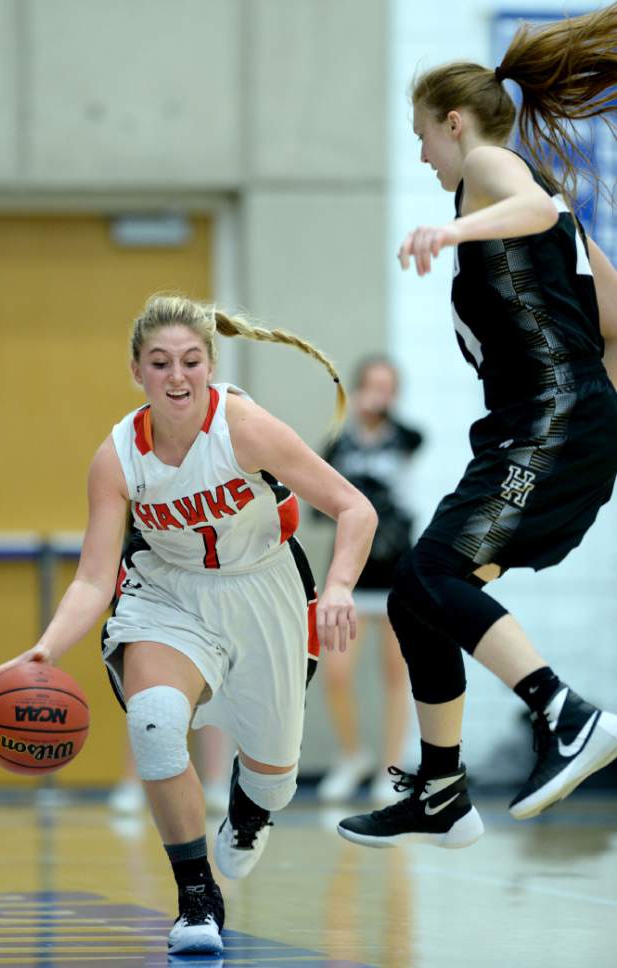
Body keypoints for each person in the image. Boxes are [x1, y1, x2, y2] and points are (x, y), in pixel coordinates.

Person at [0, 294, 377, 956]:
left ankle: (253, 807)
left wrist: (337, 586)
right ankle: (196, 894)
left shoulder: (244, 427)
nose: (177, 376)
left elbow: (353, 508)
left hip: (264, 591)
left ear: (210, 365)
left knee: (276, 775)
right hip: (166, 596)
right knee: (156, 725)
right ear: (137, 371)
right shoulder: (117, 457)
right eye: (160, 362)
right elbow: (91, 577)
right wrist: (45, 650)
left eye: (191, 361)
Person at [338, 6, 617, 850]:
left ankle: (565, 715)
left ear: (453, 123)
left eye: (423, 135)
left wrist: (453, 228)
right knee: (422, 601)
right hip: (547, 427)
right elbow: (612, 318)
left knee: (430, 574)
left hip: (549, 425)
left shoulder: (496, 173)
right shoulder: (548, 216)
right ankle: (441, 790)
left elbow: (529, 206)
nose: (422, 153)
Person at [315, 356, 423, 803]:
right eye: (372, 386)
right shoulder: (339, 441)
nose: (379, 395)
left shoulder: (408, 438)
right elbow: (322, 503)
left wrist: (383, 414)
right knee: (335, 672)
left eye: (387, 388)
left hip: (397, 566)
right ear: (359, 390)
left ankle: (390, 767)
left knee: (396, 675)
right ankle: (351, 753)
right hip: (351, 569)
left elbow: (408, 447)